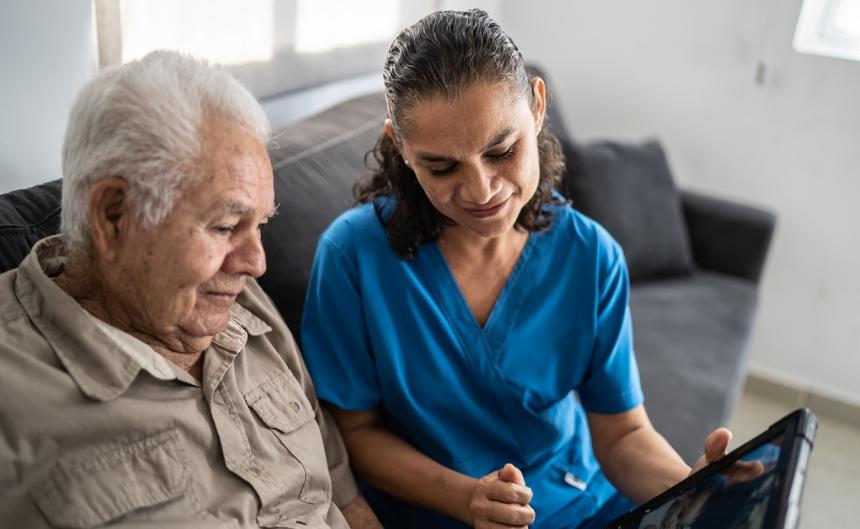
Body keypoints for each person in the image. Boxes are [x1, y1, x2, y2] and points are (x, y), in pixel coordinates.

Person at [300, 9, 733, 529]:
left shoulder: (592, 258)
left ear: (538, 107)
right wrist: (466, 499)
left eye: (502, 150)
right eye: (442, 166)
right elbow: (354, 431)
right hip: (435, 512)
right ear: (401, 149)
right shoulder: (352, 258)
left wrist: (688, 490)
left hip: (576, 504)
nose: (482, 191)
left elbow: (621, 434)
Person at [0, 51, 380, 529]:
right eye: (225, 226)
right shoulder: (12, 392)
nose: (256, 262)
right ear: (114, 216)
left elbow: (341, 497)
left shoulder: (232, 301)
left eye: (260, 225)